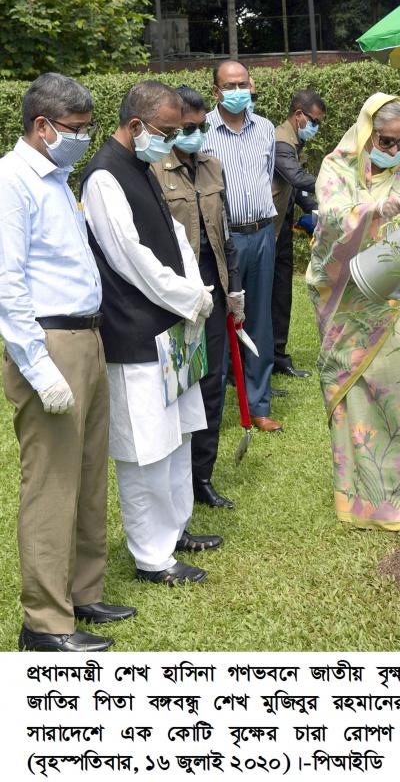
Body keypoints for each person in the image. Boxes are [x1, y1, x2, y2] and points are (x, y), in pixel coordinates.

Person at [0, 73, 135, 652]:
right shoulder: (12, 183)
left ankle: (82, 591)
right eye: (76, 131)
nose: (83, 140)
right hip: (50, 342)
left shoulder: (56, 179)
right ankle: (45, 622)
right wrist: (37, 365)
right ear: (42, 126)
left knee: (86, 474)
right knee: (52, 484)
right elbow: (7, 284)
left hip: (86, 336)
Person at [81, 80, 223, 586]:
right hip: (135, 332)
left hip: (174, 326)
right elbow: (130, 258)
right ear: (137, 125)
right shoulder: (103, 177)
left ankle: (176, 527)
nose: (173, 139)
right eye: (167, 130)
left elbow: (176, 241)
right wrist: (188, 298)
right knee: (146, 446)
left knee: (180, 433)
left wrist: (195, 289)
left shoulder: (143, 164)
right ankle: (151, 556)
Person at [306, 93, 400, 530]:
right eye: (385, 140)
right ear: (368, 134)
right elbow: (328, 216)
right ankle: (360, 499)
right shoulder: (338, 168)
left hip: (396, 302)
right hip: (348, 302)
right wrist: (372, 210)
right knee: (357, 395)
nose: (394, 149)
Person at [152, 85, 243, 510]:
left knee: (211, 388)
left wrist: (235, 289)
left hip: (215, 291)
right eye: (187, 127)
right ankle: (174, 480)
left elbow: (225, 236)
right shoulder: (154, 170)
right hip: (174, 297)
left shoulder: (212, 166)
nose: (196, 133)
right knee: (176, 389)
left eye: (202, 126)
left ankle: (202, 477)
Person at [204, 61, 281, 432]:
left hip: (262, 233)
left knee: (260, 318)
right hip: (224, 237)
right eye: (228, 85)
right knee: (222, 318)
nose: (237, 91)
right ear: (216, 90)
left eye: (242, 84)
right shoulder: (202, 130)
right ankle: (214, 404)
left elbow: (267, 178)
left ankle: (259, 403)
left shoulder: (265, 127)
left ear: (251, 85)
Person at [271, 88, 326, 379]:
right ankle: (262, 360)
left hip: (282, 229)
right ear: (298, 115)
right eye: (314, 121)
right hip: (268, 231)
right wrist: (335, 180)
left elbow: (297, 189)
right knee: (267, 297)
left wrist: (318, 208)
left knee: (281, 295)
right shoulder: (281, 141)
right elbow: (295, 177)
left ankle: (278, 356)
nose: (316, 127)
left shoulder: (293, 142)